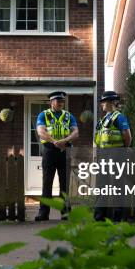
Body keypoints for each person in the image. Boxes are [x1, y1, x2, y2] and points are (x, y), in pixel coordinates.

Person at [34, 91, 79, 221]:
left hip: (65, 150)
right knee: (47, 182)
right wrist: (54, 141)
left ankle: (66, 213)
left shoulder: (69, 116)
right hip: (49, 150)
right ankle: (43, 213)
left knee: (65, 183)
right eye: (58, 101)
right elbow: (41, 132)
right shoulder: (44, 115)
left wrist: (65, 141)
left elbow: (75, 133)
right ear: (51, 102)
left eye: (62, 101)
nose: (61, 103)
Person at [93, 91, 132, 221]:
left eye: (104, 102)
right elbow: (97, 139)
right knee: (102, 187)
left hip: (117, 155)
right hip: (103, 155)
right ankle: (99, 217)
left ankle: (118, 219)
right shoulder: (103, 120)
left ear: (111, 102)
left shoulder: (119, 117)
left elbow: (127, 136)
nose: (102, 104)